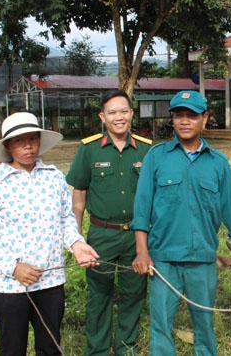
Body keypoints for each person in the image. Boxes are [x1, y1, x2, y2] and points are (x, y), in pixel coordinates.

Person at [131, 90, 231, 356]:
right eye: (179, 115)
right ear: (172, 119)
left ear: (204, 118)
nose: (185, 121)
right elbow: (142, 209)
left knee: (204, 324)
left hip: (202, 259)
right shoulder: (157, 157)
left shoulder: (218, 163)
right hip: (163, 259)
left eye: (192, 115)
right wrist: (142, 250)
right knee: (161, 326)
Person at [0, 112, 99, 356]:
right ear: (8, 146)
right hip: (10, 284)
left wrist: (76, 243)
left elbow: (65, 219)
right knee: (12, 348)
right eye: (20, 141)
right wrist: (13, 267)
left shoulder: (53, 178)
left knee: (50, 346)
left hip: (50, 280)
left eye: (33, 138)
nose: (28, 146)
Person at [66, 90, 152, 356]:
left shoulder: (146, 148)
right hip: (102, 235)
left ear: (131, 114)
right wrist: (77, 239)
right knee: (99, 296)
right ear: (103, 117)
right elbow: (78, 197)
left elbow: (154, 196)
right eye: (112, 113)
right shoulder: (89, 148)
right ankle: (98, 350)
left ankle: (126, 348)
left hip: (136, 235)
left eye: (123, 111)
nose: (119, 118)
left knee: (134, 294)